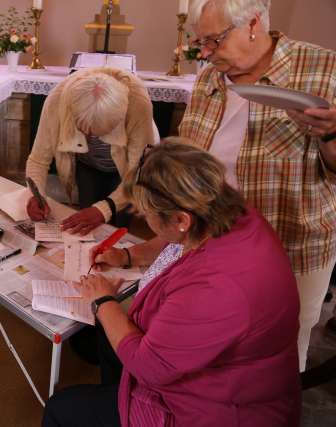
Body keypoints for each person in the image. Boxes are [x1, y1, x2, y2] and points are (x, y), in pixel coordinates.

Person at [42, 141, 301, 427]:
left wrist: (103, 302)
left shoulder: (217, 288)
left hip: (216, 410)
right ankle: (116, 394)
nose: (144, 219)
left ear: (180, 219)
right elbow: (174, 238)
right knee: (109, 340)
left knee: (60, 409)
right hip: (224, 378)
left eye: (145, 214)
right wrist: (127, 255)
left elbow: (149, 366)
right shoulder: (227, 211)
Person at [179, 0, 336, 371]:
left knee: (273, 366)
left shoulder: (324, 69)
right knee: (216, 352)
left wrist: (331, 133)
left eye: (214, 41)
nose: (205, 53)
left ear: (252, 23)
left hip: (291, 249)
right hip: (212, 245)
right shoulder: (209, 77)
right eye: (200, 43)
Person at [25, 67, 156, 235]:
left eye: (100, 133)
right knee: (88, 223)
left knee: (121, 227)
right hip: (88, 165)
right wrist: (36, 195)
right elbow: (38, 160)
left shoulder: (138, 103)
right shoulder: (56, 101)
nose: (90, 137)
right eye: (84, 130)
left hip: (127, 169)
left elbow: (139, 173)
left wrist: (105, 209)